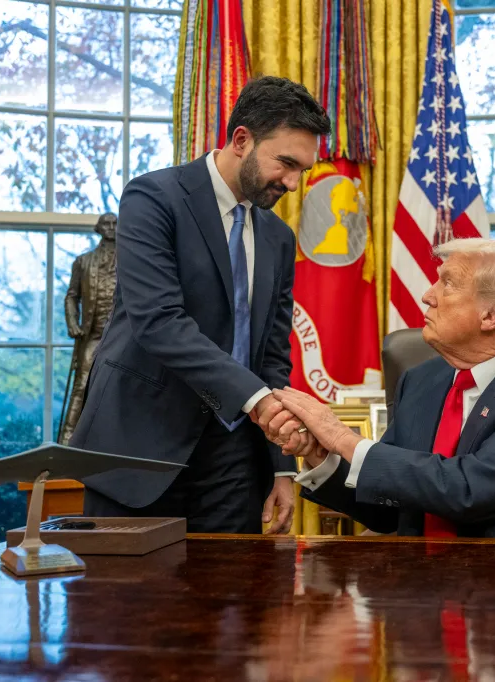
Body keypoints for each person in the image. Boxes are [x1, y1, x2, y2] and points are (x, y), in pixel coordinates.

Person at [69, 77, 331, 533]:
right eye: (285, 163)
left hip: (235, 461)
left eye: (301, 170)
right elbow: (159, 322)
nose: (292, 183)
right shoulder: (153, 199)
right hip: (139, 446)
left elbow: (271, 353)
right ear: (241, 140)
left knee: (230, 597)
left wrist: (281, 467)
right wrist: (259, 402)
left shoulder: (278, 238)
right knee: (121, 602)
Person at [258, 238, 495, 539]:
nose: (427, 295)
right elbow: (388, 508)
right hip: (426, 592)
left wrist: (343, 438)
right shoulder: (421, 381)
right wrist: (322, 454)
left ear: (491, 315)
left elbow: (470, 490)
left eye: (447, 284)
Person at [59, 212, 118, 444]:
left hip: (123, 338)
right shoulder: (83, 262)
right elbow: (71, 297)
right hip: (92, 335)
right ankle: (67, 443)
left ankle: (116, 446)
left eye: (115, 223)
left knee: (120, 390)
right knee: (82, 385)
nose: (112, 228)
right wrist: (72, 323)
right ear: (99, 228)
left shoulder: (133, 261)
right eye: (107, 224)